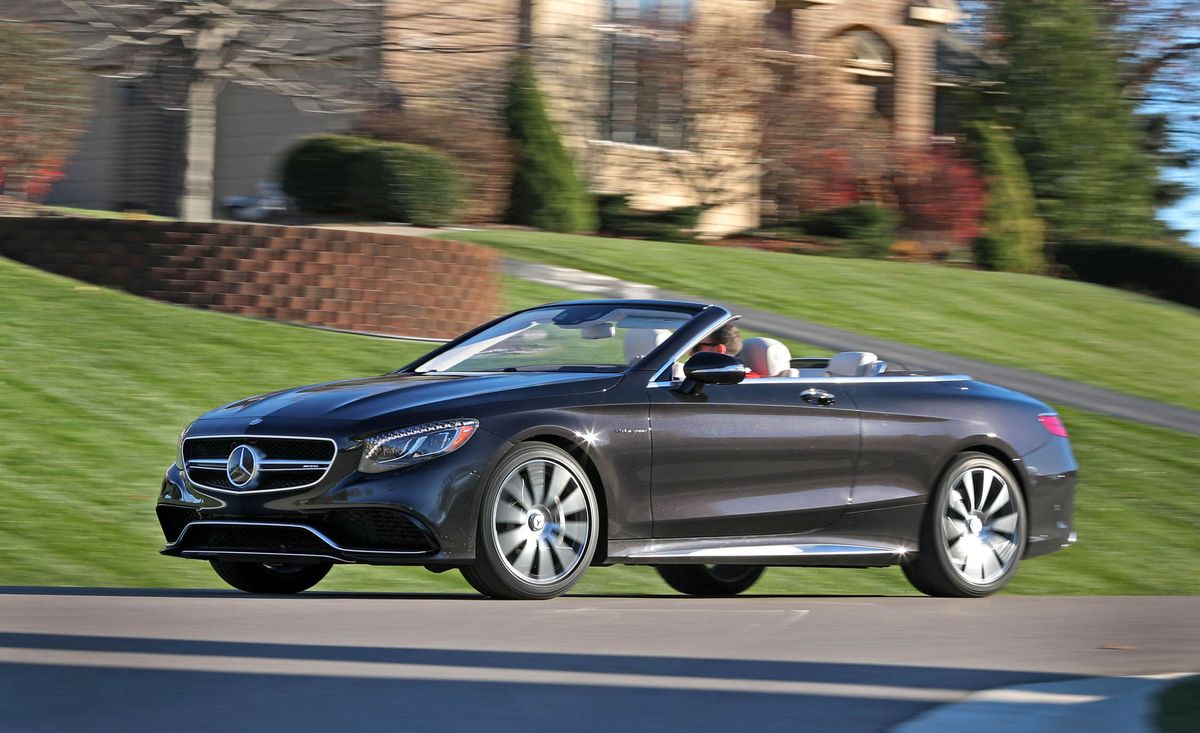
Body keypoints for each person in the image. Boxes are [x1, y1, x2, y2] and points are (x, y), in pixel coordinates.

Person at [689, 323, 761, 378]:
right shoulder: (722, 378)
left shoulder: (739, 383)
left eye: (696, 347)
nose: (690, 353)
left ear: (719, 350)